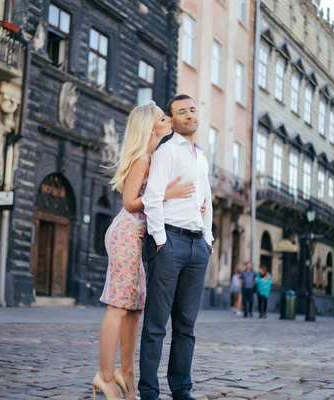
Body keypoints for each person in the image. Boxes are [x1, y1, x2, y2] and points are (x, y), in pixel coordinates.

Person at [94, 102, 199, 399]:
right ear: (151, 127)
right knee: (117, 307)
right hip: (126, 234)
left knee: (134, 308)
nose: (169, 120)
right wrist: (168, 193)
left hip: (137, 238)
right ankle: (105, 378)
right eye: (163, 117)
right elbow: (129, 202)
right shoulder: (143, 158)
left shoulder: (153, 158)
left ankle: (126, 375)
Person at [139, 94, 214, 400]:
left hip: (198, 247)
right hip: (170, 243)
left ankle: (181, 389)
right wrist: (160, 242)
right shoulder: (167, 152)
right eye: (181, 112)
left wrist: (207, 238)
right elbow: (152, 198)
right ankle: (149, 392)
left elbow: (206, 200)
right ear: (173, 120)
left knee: (186, 325)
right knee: (156, 324)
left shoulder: (201, 157)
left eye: (192, 109)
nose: (188, 115)